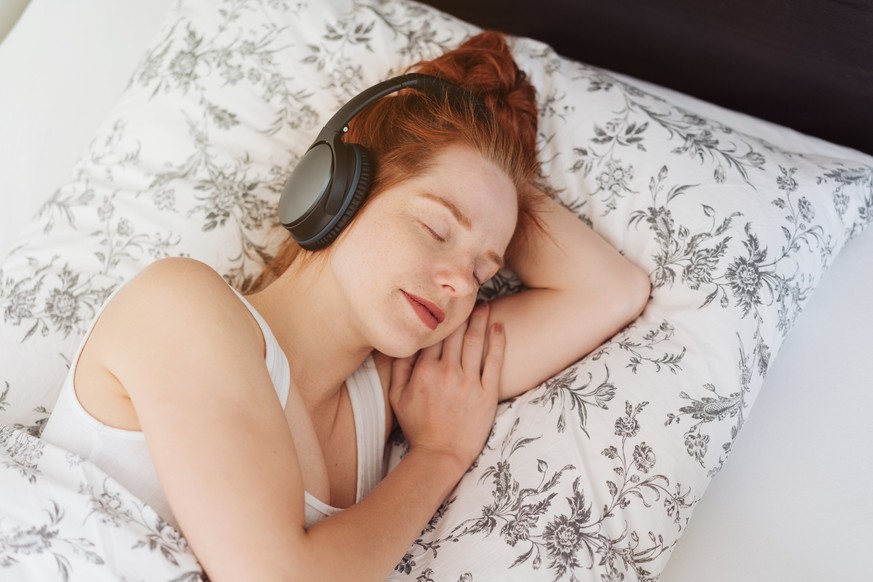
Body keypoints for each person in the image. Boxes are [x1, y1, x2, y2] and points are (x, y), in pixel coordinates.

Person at [41, 31, 650, 581]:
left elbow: (610, 290)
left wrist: (501, 178)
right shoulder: (179, 307)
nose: (462, 285)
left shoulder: (397, 391)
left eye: (483, 269)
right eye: (437, 230)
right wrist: (439, 456)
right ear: (335, 191)